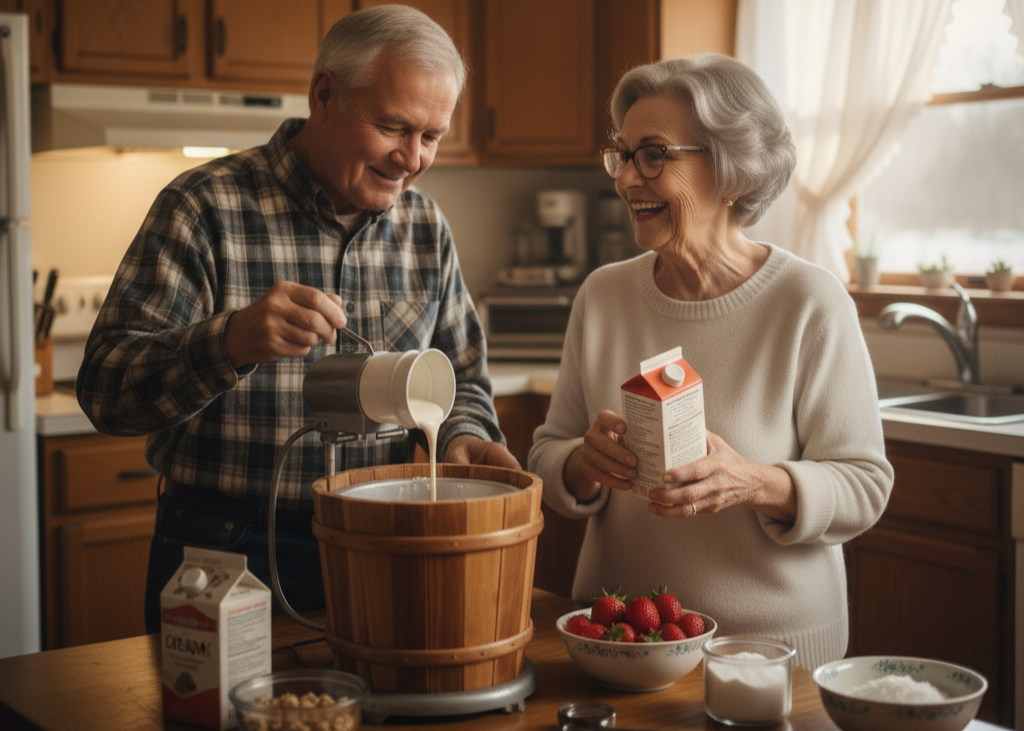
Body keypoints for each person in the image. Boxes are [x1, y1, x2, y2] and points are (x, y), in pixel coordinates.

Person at [76, 5, 519, 634]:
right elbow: (105, 390)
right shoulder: (205, 207)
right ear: (324, 95)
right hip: (223, 543)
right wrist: (229, 343)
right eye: (393, 126)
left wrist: (463, 438)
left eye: (432, 137)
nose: (412, 158)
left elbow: (466, 379)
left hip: (382, 539)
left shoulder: (425, 228)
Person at [528, 54, 893, 671]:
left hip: (768, 650)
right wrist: (582, 464)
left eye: (653, 155)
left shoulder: (809, 302)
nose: (624, 179)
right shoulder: (603, 296)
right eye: (623, 154)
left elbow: (864, 485)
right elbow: (546, 455)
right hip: (621, 640)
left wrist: (753, 481)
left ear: (731, 169)